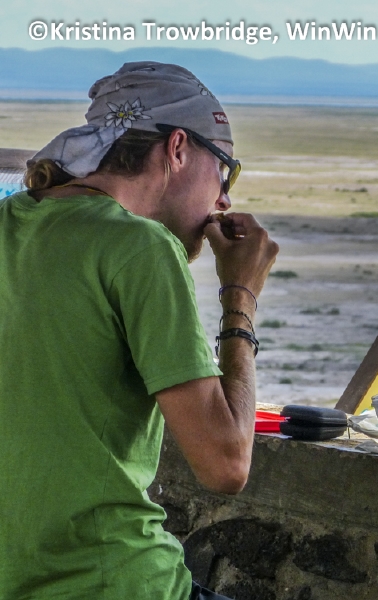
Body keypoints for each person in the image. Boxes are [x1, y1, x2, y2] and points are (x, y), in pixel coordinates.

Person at [0, 62, 278, 599]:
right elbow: (225, 465)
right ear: (178, 148)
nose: (223, 199)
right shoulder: (140, 247)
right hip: (107, 581)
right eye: (225, 171)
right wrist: (240, 296)